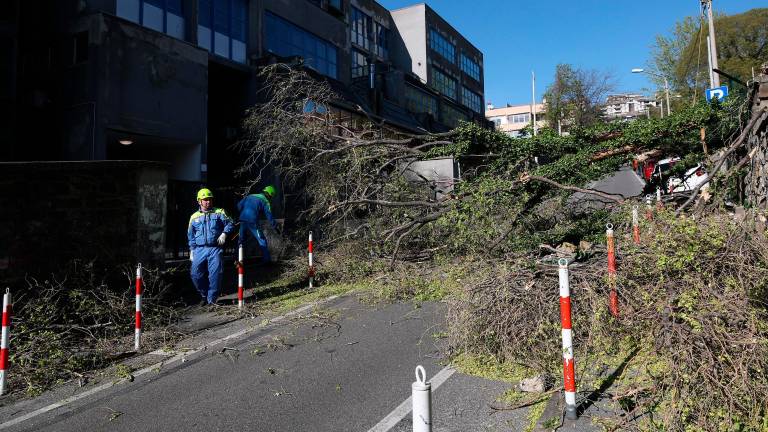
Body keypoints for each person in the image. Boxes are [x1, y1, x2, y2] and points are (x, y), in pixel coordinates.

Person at [188, 188, 234, 306]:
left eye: (210, 199)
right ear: (199, 201)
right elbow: (191, 234)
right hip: (199, 249)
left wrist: (224, 233)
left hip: (215, 248)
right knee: (195, 274)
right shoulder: (194, 217)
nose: (208, 202)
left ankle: (211, 300)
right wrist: (192, 250)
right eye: (205, 200)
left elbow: (230, 223)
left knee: (216, 274)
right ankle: (204, 295)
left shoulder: (219, 212)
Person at [237, 185, 280, 263]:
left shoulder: (250, 196)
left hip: (242, 220)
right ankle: (267, 261)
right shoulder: (265, 201)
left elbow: (239, 206)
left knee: (241, 240)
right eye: (270, 197)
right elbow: (269, 216)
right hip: (253, 221)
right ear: (269, 195)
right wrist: (275, 227)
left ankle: (237, 260)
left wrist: (243, 213)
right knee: (262, 240)